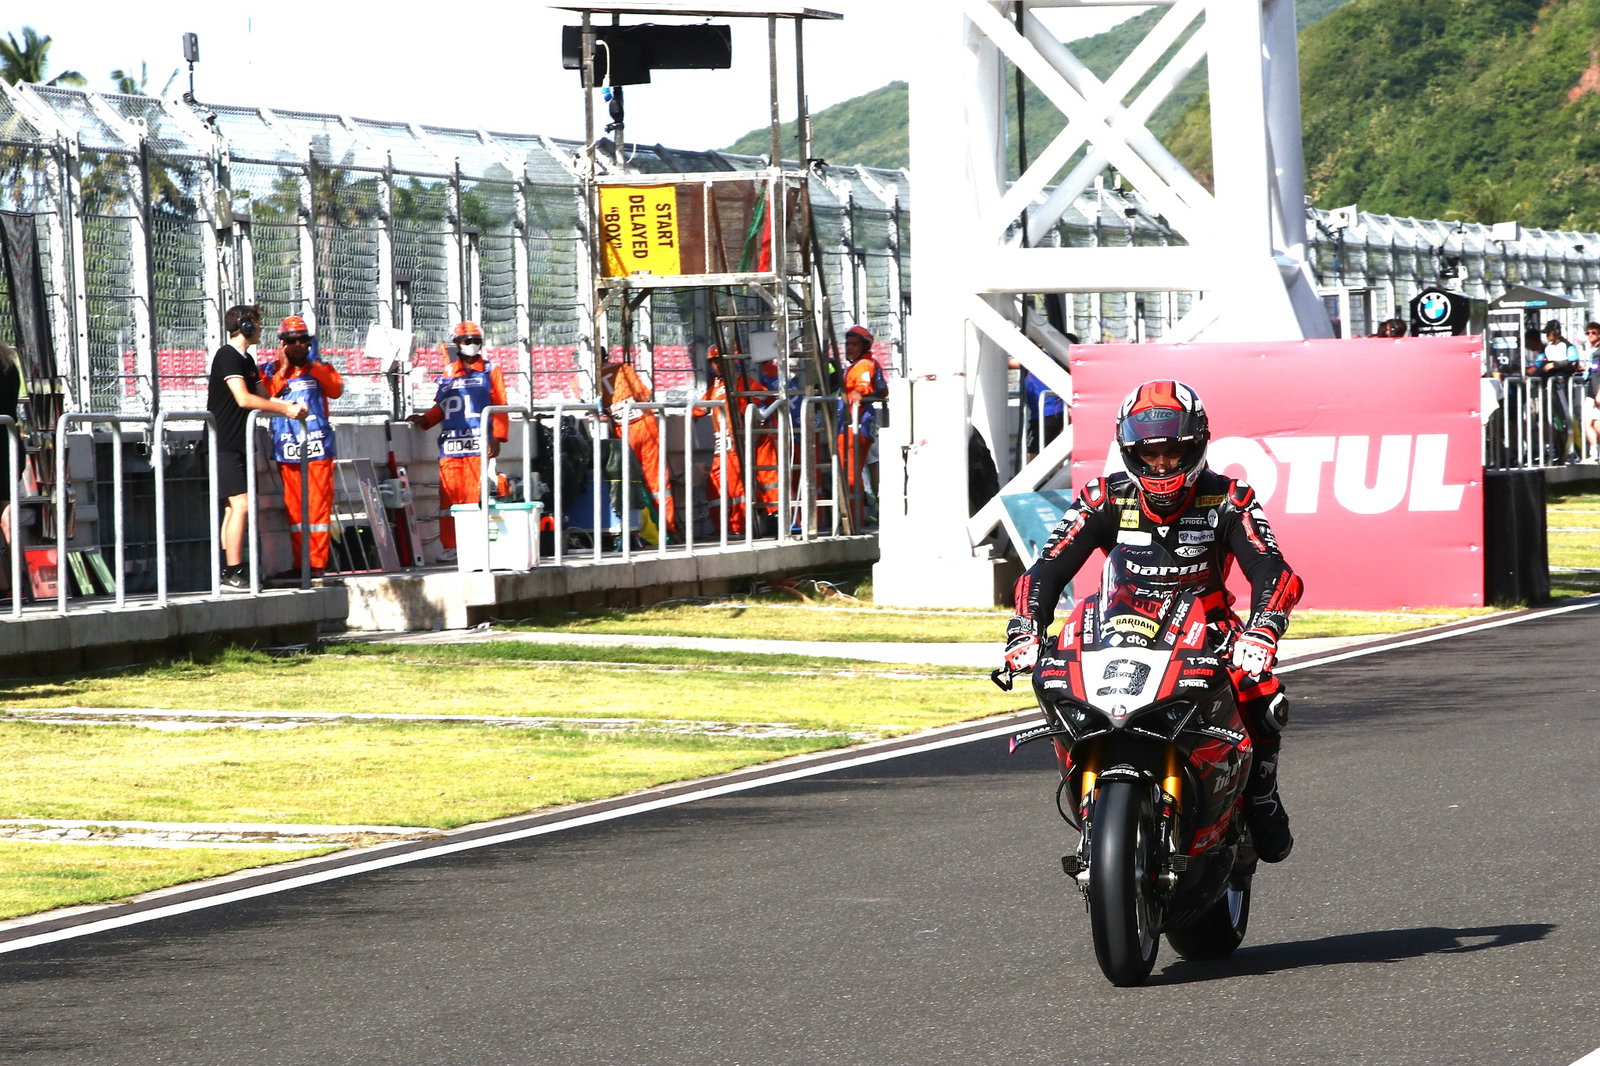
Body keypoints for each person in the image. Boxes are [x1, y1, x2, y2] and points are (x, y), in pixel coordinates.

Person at [1002, 380, 1303, 862]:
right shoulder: (1102, 498)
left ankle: (1261, 791)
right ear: (1128, 453)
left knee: (1263, 698)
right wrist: (1025, 630)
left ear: (1198, 445)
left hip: (1208, 630)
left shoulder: (1230, 499)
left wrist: (1264, 628)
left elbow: (1272, 568)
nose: (1161, 466)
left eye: (1173, 452)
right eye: (1148, 455)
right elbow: (1047, 568)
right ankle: (1092, 801)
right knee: (1054, 681)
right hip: (1118, 628)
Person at [207, 304, 308, 589]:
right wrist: (286, 411)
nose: (261, 329)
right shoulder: (227, 356)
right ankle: (233, 570)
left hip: (237, 442)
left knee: (233, 508)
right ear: (247, 326)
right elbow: (244, 399)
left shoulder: (247, 360)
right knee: (241, 505)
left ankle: (230, 570)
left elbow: (264, 396)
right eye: (258, 324)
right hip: (223, 442)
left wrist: (289, 407)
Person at [407, 321, 508, 564]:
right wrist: (425, 420)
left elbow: (501, 406)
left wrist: (498, 436)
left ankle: (474, 544)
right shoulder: (449, 373)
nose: (472, 345)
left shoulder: (490, 371)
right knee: (449, 499)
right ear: (457, 344)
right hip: (451, 445)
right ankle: (451, 546)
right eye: (467, 341)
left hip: (478, 444)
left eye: (476, 341)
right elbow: (443, 407)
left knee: (474, 496)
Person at [262, 315, 343, 579]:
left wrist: (314, 364)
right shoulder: (271, 370)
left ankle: (317, 565)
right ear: (282, 343)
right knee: (296, 511)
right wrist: (284, 369)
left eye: (303, 340)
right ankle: (302, 564)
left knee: (318, 509)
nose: (298, 345)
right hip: (288, 449)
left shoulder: (320, 368)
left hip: (318, 448)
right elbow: (268, 395)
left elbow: (336, 389)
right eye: (292, 340)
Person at [836, 324, 888, 530]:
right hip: (856, 424)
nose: (849, 347)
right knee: (860, 470)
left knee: (849, 474)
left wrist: (857, 393)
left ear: (864, 346)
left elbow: (862, 387)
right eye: (847, 343)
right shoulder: (863, 364)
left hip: (854, 425)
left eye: (854, 344)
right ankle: (860, 516)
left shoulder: (863, 365)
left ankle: (852, 520)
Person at [694, 349, 751, 536]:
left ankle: (738, 527)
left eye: (718, 360)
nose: (715, 365)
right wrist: (690, 414)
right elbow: (701, 407)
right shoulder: (716, 386)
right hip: (721, 446)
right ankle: (721, 527)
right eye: (712, 361)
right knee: (715, 486)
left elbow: (762, 400)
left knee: (736, 487)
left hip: (735, 444)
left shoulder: (742, 382)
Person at [1534, 320, 1580, 463]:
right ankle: (1560, 452)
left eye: (1549, 333)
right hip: (1549, 388)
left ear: (1556, 332)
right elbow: (1541, 364)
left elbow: (1573, 363)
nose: (1547, 336)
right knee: (1554, 421)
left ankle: (1575, 451)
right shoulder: (1547, 349)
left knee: (1567, 419)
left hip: (1563, 386)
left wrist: (1555, 365)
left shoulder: (1568, 346)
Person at [1582, 322, 1600, 461]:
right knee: (1593, 424)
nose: (1590, 335)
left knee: (1590, 424)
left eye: (1593, 332)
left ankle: (1594, 453)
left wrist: (1598, 393)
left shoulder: (1598, 353)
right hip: (1591, 392)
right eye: (1588, 333)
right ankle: (1595, 453)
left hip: (1596, 392)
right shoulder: (1592, 352)